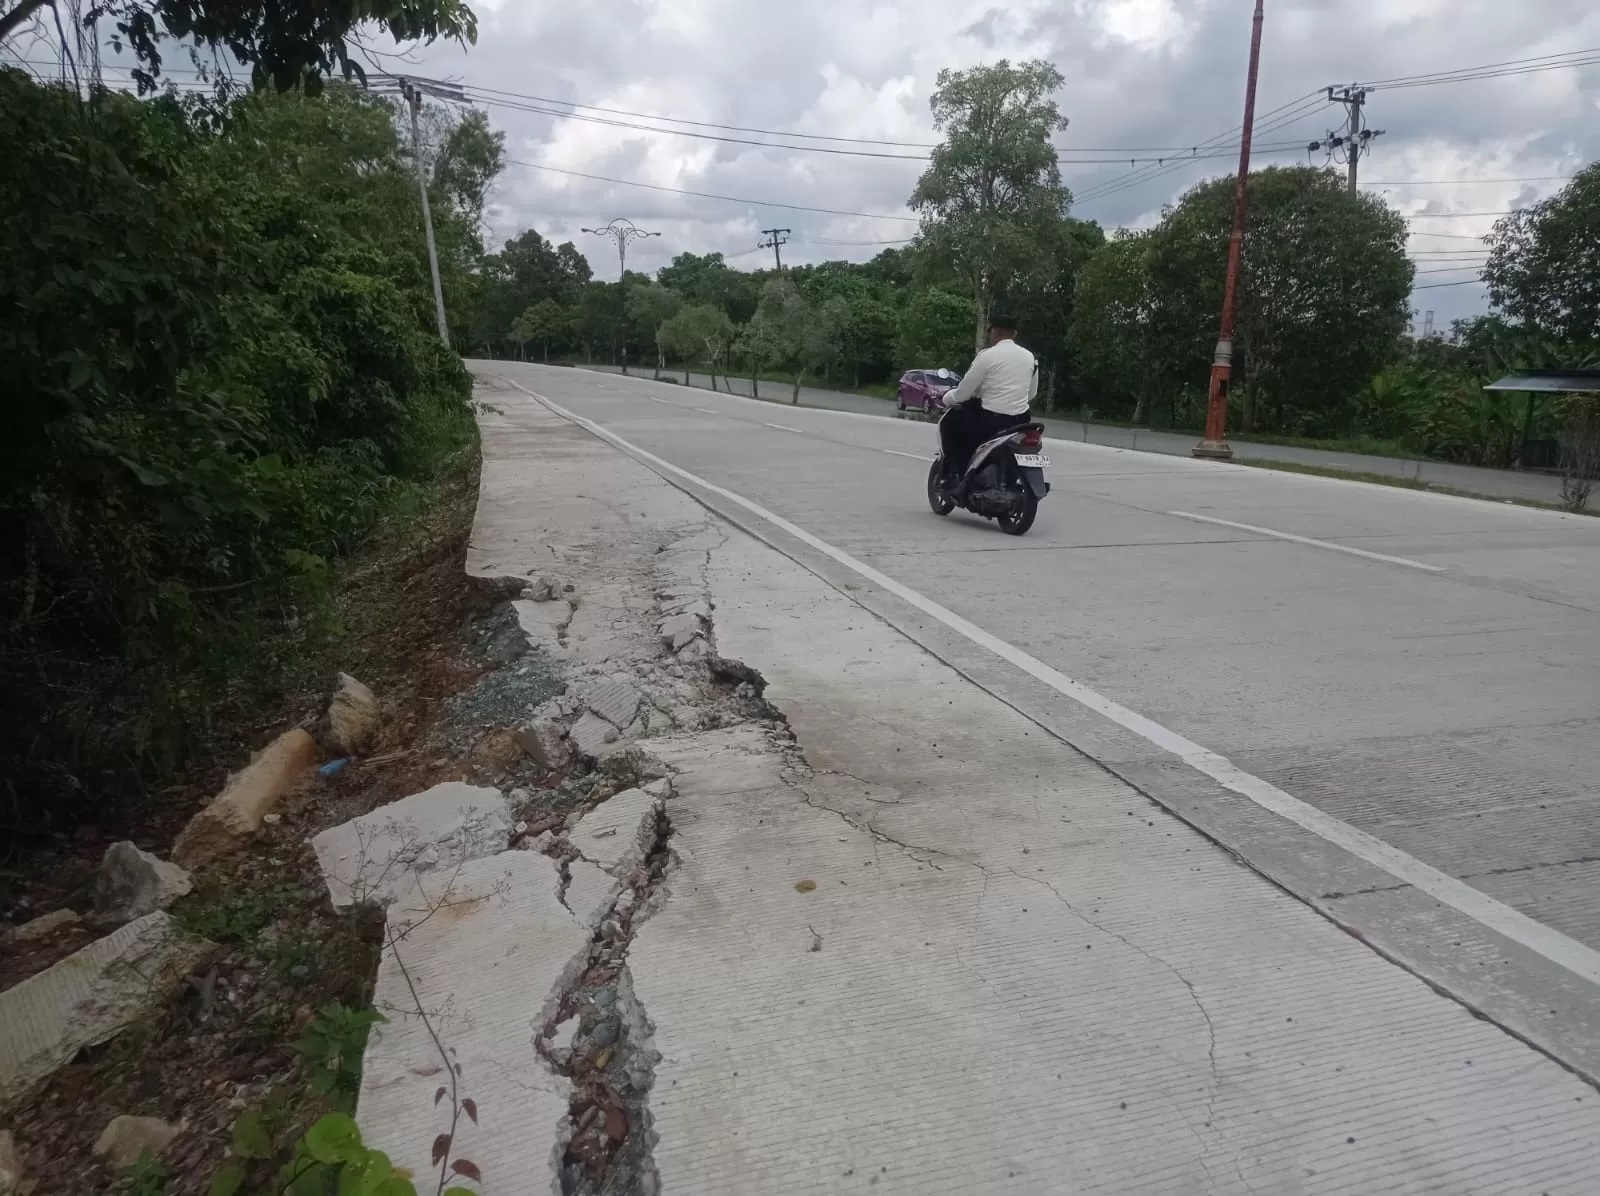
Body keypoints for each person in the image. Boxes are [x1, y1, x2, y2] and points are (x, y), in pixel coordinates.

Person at [939, 314, 1037, 488]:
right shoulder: (1030, 358)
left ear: (994, 332)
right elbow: (1031, 393)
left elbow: (963, 393)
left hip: (991, 421)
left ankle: (954, 475)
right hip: (1021, 421)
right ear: (1014, 334)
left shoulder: (987, 356)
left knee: (951, 423)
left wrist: (946, 398)